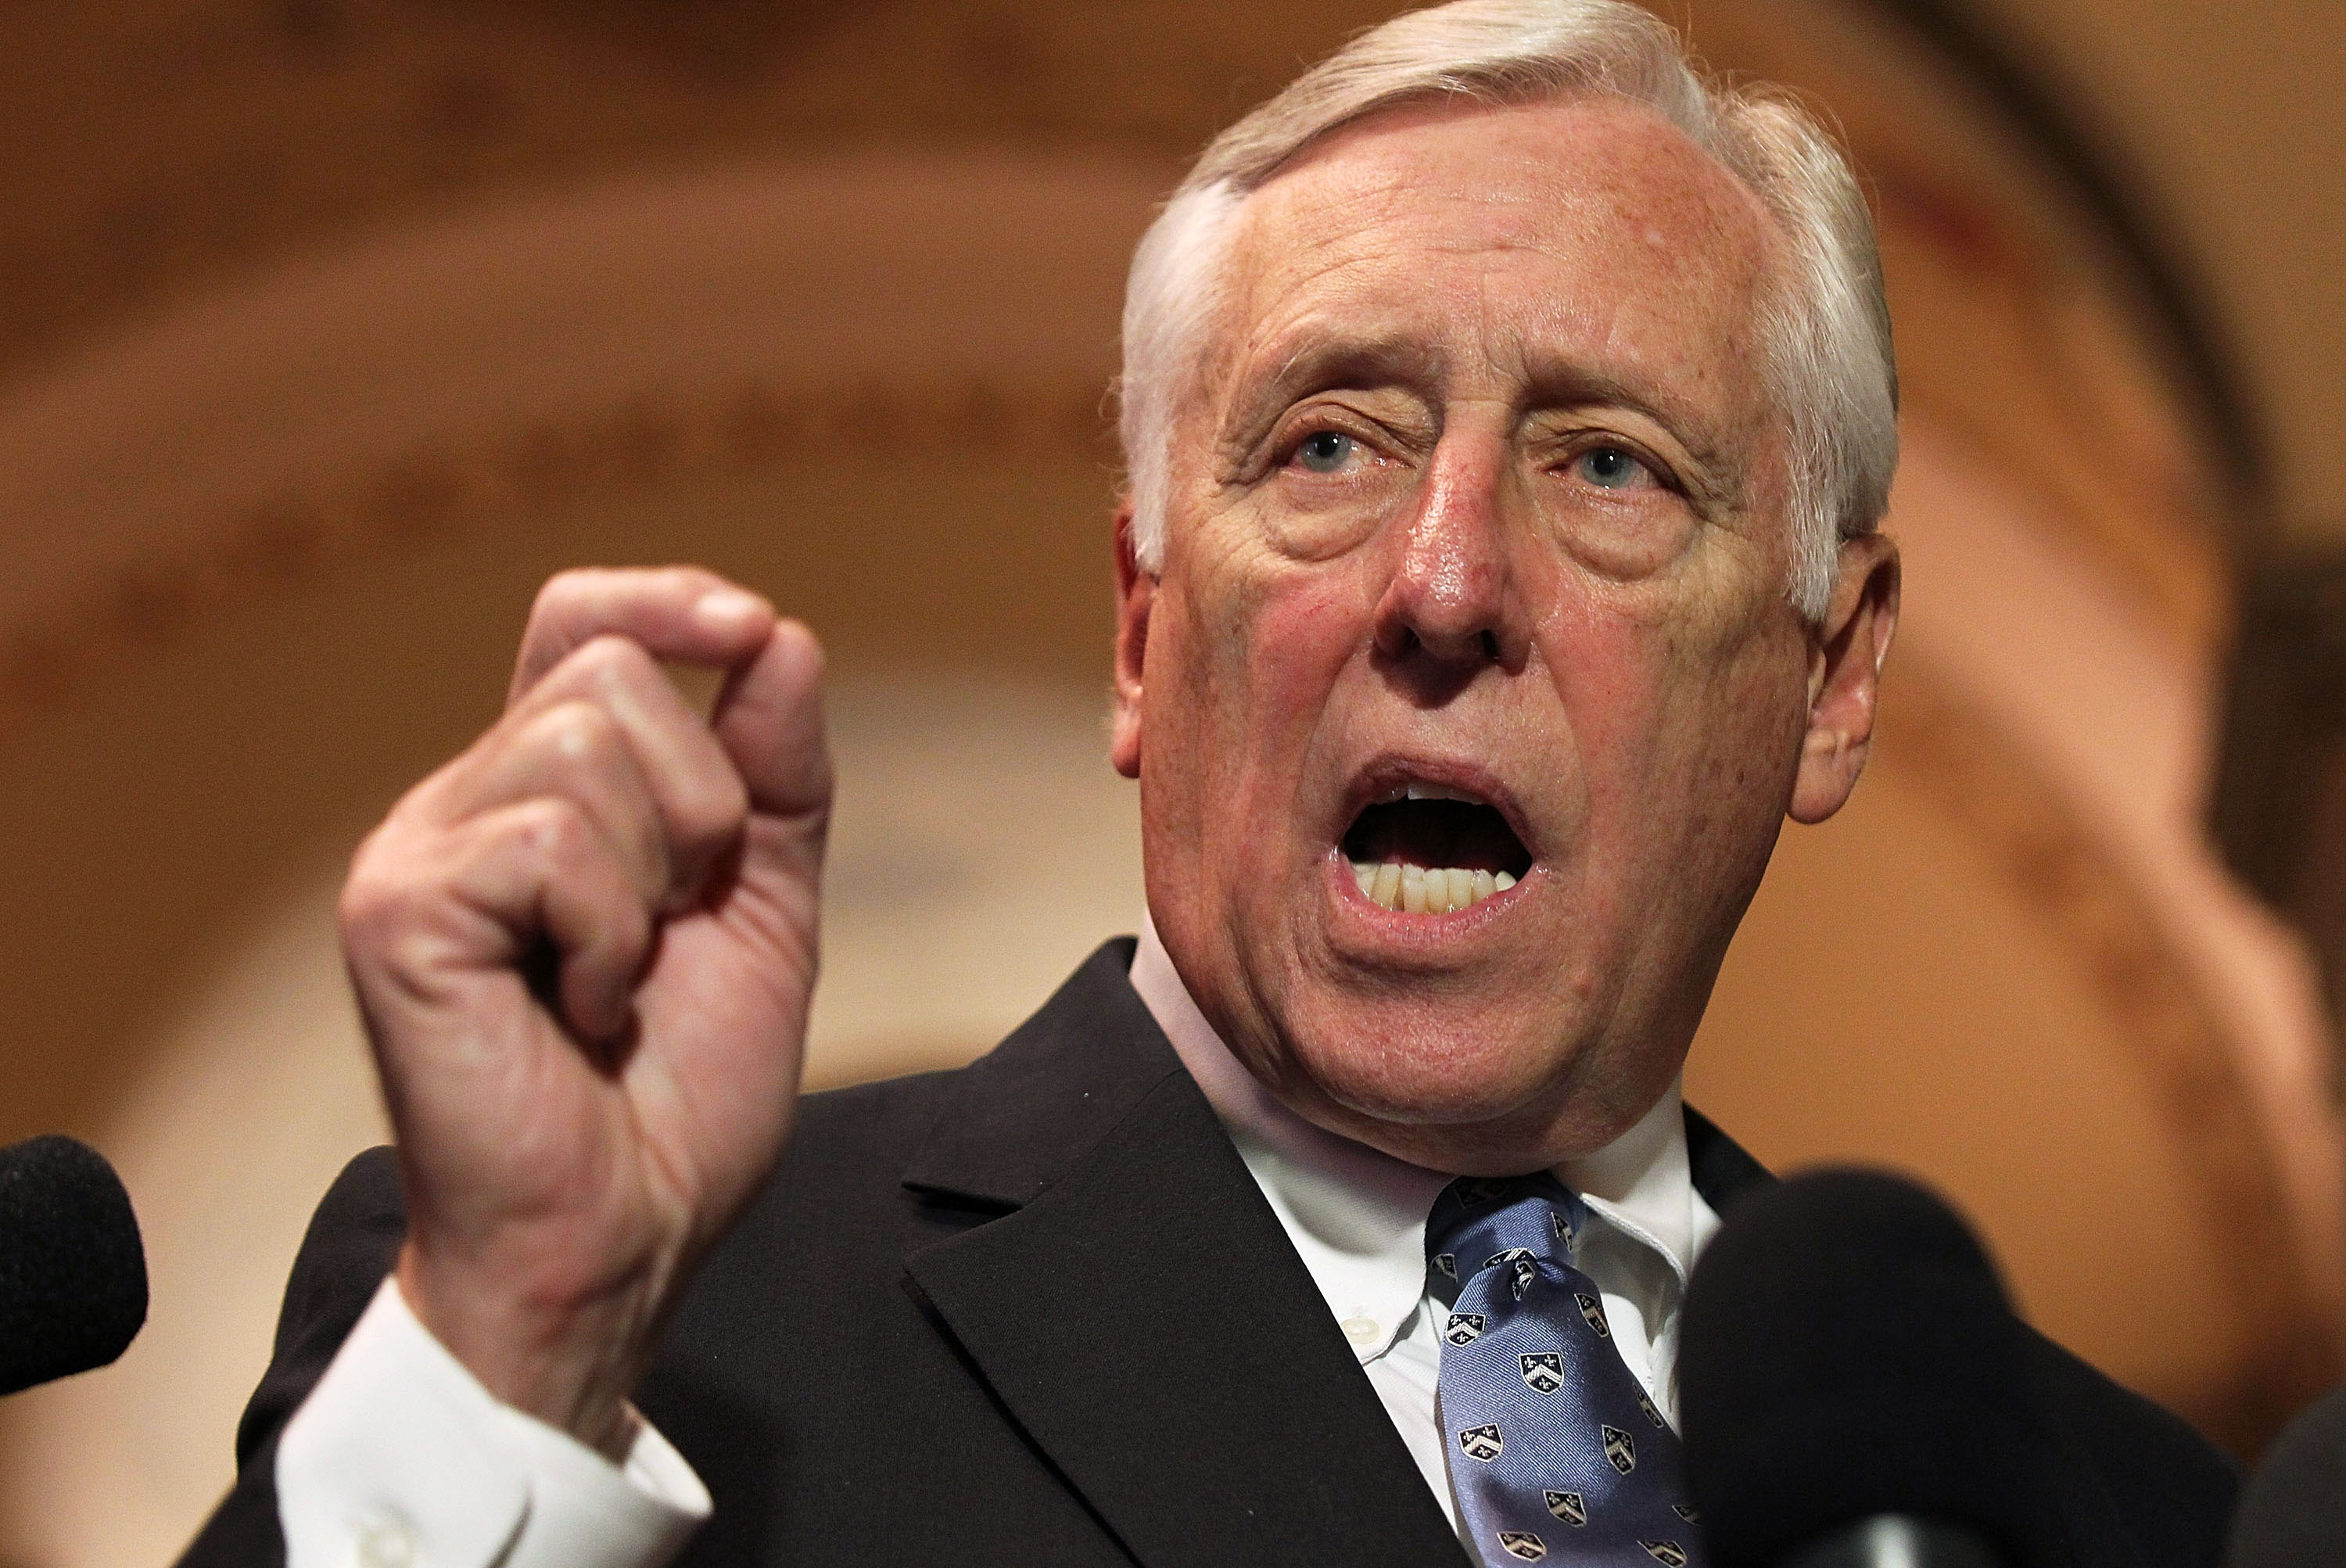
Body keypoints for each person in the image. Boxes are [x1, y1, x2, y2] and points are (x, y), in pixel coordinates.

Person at [177, 3, 2239, 1566]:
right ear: (1144, 629)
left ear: (1835, 670)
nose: (1443, 583)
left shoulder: (2133, 1513)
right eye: (1328, 445)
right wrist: (522, 1350)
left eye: (1610, 464)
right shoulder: (634, 1340)